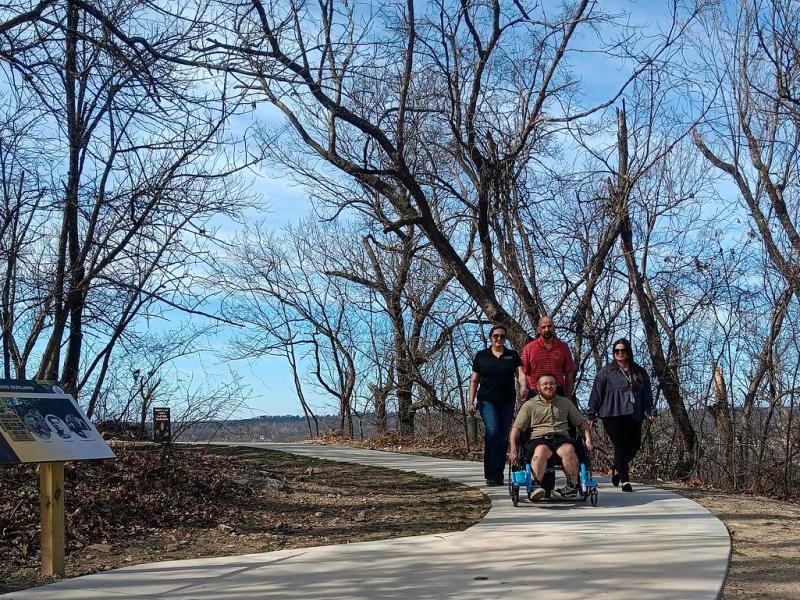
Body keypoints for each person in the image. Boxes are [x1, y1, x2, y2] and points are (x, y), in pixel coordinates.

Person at [587, 338, 656, 492]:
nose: (619, 353)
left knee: (635, 445)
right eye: (616, 351)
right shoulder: (606, 372)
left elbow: (647, 394)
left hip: (634, 412)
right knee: (620, 445)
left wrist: (650, 410)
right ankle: (625, 481)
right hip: (612, 413)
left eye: (622, 350)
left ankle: (618, 466)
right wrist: (591, 414)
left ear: (628, 352)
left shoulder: (639, 372)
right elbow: (596, 394)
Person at [509, 373, 592, 501]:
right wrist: (513, 450)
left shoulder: (565, 402)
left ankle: (572, 486)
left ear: (556, 386)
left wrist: (588, 440)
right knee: (541, 450)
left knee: (569, 449)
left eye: (552, 384)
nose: (549, 386)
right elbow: (516, 429)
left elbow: (582, 423)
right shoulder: (529, 405)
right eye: (545, 384)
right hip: (538, 439)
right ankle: (535, 486)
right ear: (538, 387)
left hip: (561, 438)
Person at [469, 324, 527, 486]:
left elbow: (521, 374)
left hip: (507, 401)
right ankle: (490, 473)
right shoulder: (482, 356)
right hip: (486, 400)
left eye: (502, 336)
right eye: (496, 336)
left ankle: (498, 474)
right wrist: (471, 401)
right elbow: (474, 380)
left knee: (502, 437)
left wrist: (523, 386)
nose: (499, 339)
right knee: (493, 432)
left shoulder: (512, 355)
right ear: (491, 337)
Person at [521, 316, 576, 400]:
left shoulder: (563, 348)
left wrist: (568, 397)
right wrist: (523, 387)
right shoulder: (529, 348)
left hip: (557, 393)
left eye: (549, 326)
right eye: (543, 327)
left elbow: (569, 374)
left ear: (553, 327)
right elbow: (523, 372)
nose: (547, 329)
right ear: (539, 329)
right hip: (535, 393)